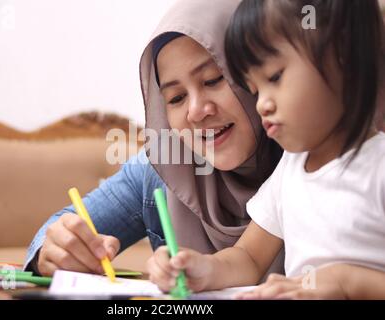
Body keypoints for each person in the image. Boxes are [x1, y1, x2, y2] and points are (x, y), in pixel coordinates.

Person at [24, 0, 283, 277]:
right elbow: (59, 228)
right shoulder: (162, 170)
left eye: (213, 79)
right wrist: (54, 252)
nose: (196, 111)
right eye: (176, 98)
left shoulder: (310, 164)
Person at [147, 0, 385, 299]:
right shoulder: (291, 170)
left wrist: (348, 283)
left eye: (274, 77)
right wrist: (204, 268)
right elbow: (248, 258)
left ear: (345, 58)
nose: (262, 104)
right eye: (254, 89)